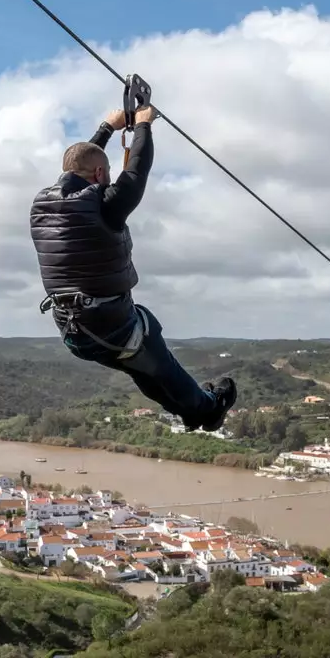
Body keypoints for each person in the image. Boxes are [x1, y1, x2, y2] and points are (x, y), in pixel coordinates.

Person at [30, 102, 238, 431]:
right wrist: (143, 125)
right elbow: (136, 171)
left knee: (139, 365)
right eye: (106, 173)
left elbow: (78, 163)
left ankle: (191, 411)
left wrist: (109, 127)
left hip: (74, 332)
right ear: (100, 174)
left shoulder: (43, 204)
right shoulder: (106, 206)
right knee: (151, 341)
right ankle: (208, 409)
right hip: (111, 326)